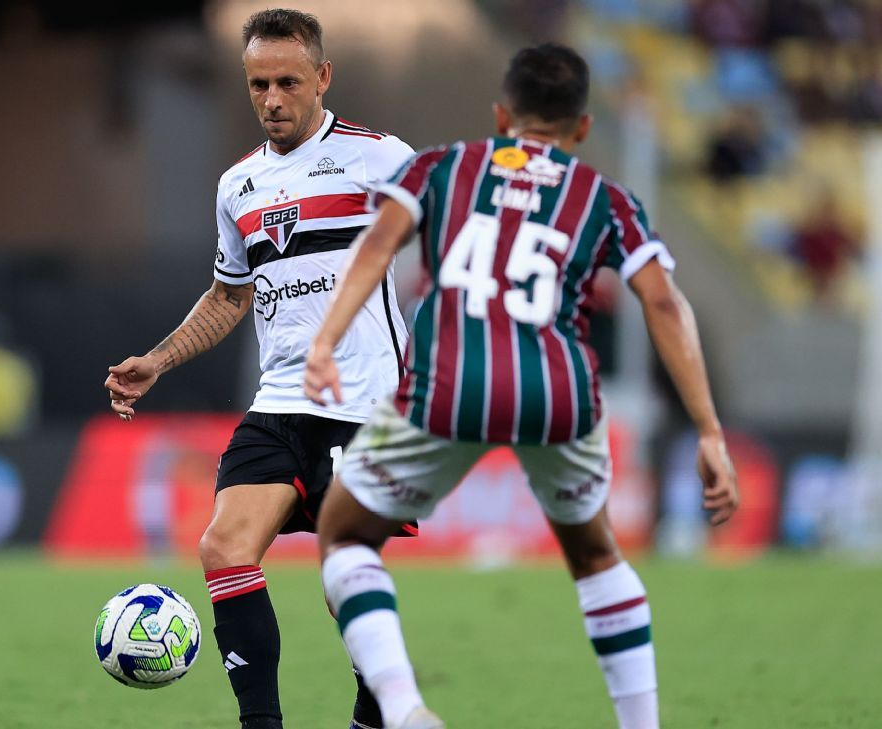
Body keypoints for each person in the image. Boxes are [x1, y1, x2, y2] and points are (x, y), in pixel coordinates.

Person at [303, 44, 741, 729]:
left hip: (452, 383)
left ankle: (405, 708)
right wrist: (710, 430)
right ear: (584, 127)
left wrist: (325, 341)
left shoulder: (443, 167)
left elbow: (380, 242)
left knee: (344, 535)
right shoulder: (604, 197)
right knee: (596, 555)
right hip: (559, 391)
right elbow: (663, 302)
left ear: (501, 113)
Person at [103, 9, 414, 729]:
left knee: (347, 574)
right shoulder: (237, 185)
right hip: (279, 400)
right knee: (222, 545)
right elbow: (226, 296)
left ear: (323, 77)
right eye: (257, 85)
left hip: (362, 405)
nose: (272, 98)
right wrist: (159, 358)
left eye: (287, 82)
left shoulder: (380, 158)